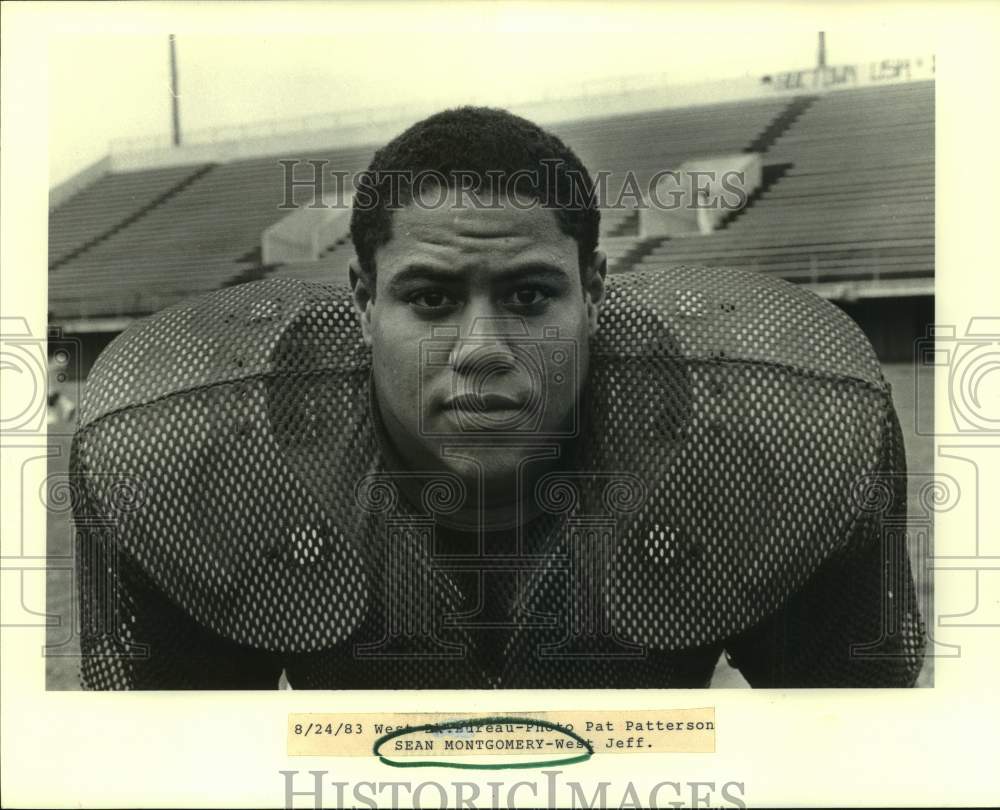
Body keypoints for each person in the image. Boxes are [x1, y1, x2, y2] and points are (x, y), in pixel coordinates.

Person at [73, 106, 925, 689]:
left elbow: (848, 750)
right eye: (431, 299)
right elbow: (178, 772)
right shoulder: (181, 444)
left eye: (528, 297)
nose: (480, 350)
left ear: (594, 294)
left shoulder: (786, 424)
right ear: (362, 304)